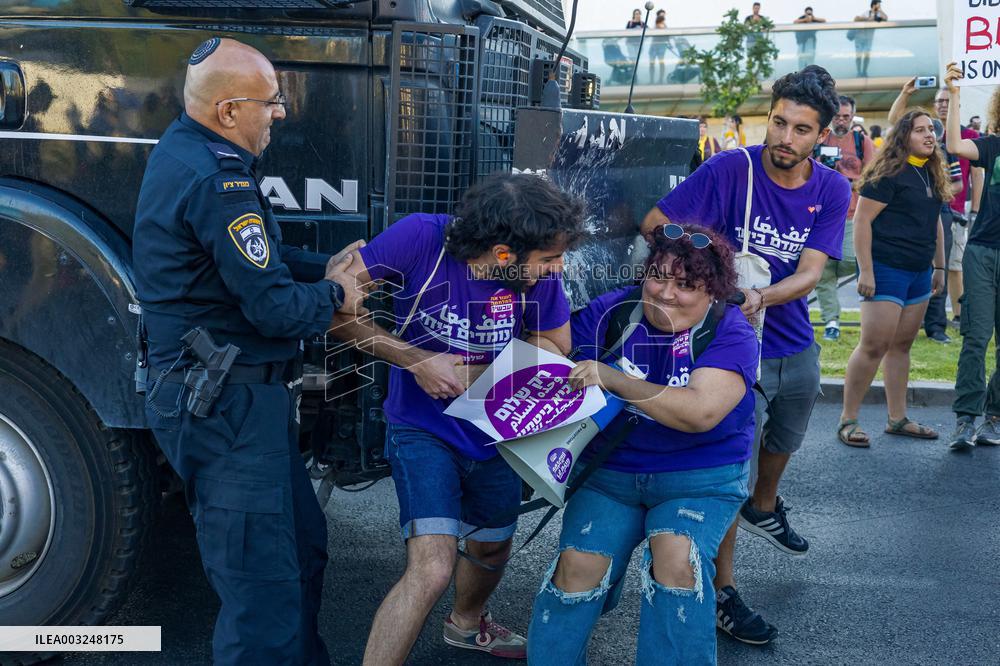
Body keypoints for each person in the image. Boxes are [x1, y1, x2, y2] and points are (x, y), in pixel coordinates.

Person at [133, 38, 367, 665]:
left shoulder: (187, 150)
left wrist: (326, 266)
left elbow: (256, 260)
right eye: (271, 102)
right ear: (229, 110)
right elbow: (273, 307)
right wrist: (336, 295)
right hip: (225, 409)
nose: (280, 112)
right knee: (262, 597)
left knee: (303, 553)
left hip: (239, 403)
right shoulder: (219, 180)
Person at [330, 173, 584, 663]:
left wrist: (479, 373)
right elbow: (334, 312)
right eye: (550, 258)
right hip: (422, 427)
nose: (558, 268)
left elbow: (557, 345)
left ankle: (466, 624)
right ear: (504, 252)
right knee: (431, 568)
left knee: (492, 548)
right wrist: (415, 360)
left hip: (496, 429)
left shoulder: (537, 275)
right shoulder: (419, 237)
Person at [642, 65, 850, 645]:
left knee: (788, 431)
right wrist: (706, 274)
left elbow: (810, 272)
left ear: (822, 135)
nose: (784, 137)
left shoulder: (831, 188)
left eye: (801, 129)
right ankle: (723, 592)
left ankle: (765, 504)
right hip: (728, 346)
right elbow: (656, 222)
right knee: (729, 471)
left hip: (791, 338)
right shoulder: (732, 167)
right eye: (778, 122)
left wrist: (761, 296)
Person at [526, 224, 758, 665]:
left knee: (677, 562)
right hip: (610, 473)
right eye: (658, 277)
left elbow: (699, 413)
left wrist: (613, 377)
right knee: (577, 567)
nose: (666, 294)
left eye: (685, 285)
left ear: (713, 292)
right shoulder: (614, 311)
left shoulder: (730, 330)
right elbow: (555, 356)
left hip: (698, 476)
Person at [837, 110, 949, 446]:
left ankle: (897, 418)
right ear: (903, 136)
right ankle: (848, 420)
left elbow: (935, 222)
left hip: (920, 272)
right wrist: (867, 270)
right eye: (919, 130)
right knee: (874, 346)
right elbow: (861, 221)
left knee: (901, 346)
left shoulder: (930, 171)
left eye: (931, 129)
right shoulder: (888, 174)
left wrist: (939, 267)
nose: (929, 135)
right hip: (886, 269)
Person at [890, 78, 983, 330]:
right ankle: (915, 319)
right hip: (915, 210)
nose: (942, 105)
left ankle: (945, 321)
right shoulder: (922, 134)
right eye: (939, 101)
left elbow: (971, 178)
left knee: (950, 266)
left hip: (951, 209)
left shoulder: (966, 137)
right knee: (921, 265)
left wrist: (973, 209)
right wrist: (905, 93)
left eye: (947, 101)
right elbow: (896, 122)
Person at [942, 62, 1000, 451]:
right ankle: (966, 419)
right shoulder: (993, 145)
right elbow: (954, 147)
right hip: (982, 252)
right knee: (975, 338)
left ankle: (995, 416)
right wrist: (955, 94)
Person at [815, 96, 875, 342]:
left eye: (846, 117)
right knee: (822, 271)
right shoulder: (820, 138)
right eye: (837, 116)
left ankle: (831, 271)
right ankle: (831, 321)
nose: (841, 121)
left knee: (851, 259)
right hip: (822, 215)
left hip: (853, 214)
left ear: (852, 117)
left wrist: (846, 182)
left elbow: (873, 178)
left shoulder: (862, 142)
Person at [852, 0, 887, 77]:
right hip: (859, 38)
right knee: (858, 56)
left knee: (867, 56)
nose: (879, 6)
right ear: (873, 5)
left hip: (869, 39)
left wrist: (880, 10)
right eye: (878, 4)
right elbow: (856, 18)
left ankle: (864, 72)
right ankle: (858, 72)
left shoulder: (878, 15)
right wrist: (869, 18)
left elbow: (885, 18)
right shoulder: (866, 13)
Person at [648, 9, 668, 85]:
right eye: (661, 14)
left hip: (661, 47)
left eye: (664, 15)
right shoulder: (655, 26)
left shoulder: (665, 26)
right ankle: (651, 80)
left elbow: (667, 36)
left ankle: (661, 80)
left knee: (661, 63)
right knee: (651, 64)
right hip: (653, 47)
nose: (663, 16)